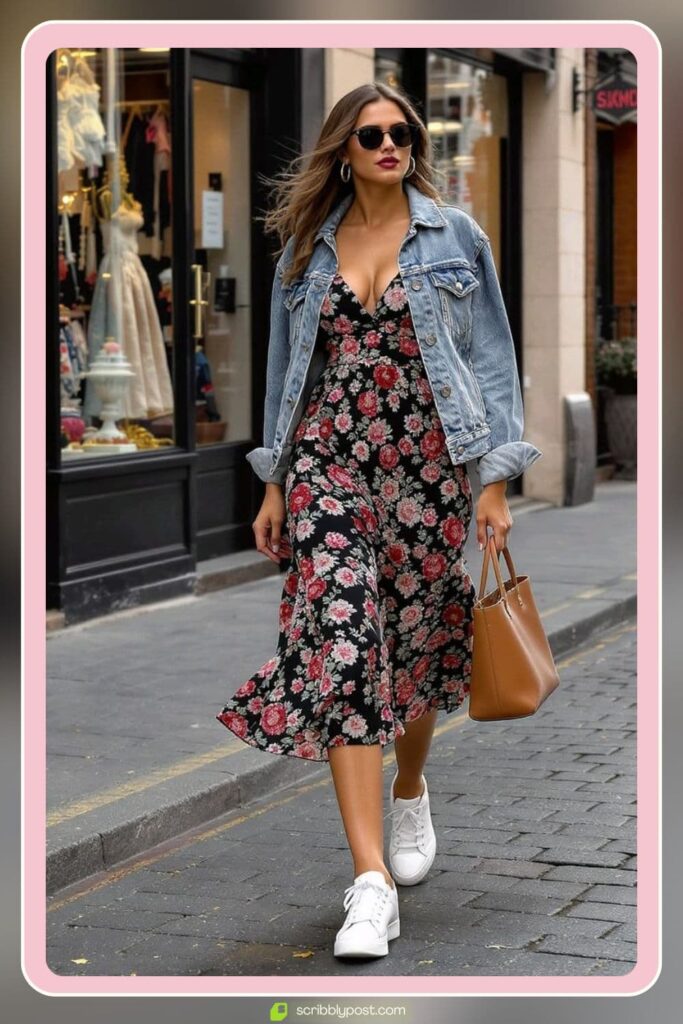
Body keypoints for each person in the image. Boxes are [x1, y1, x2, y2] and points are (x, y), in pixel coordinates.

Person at [216, 82, 543, 961]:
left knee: (416, 644)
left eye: (403, 131)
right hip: (329, 462)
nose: (392, 144)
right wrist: (275, 481)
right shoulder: (303, 251)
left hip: (429, 467)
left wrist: (494, 481)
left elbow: (492, 361)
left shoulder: (454, 235)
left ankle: (408, 785)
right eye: (372, 135)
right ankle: (369, 883)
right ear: (345, 148)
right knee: (347, 644)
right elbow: (289, 370)